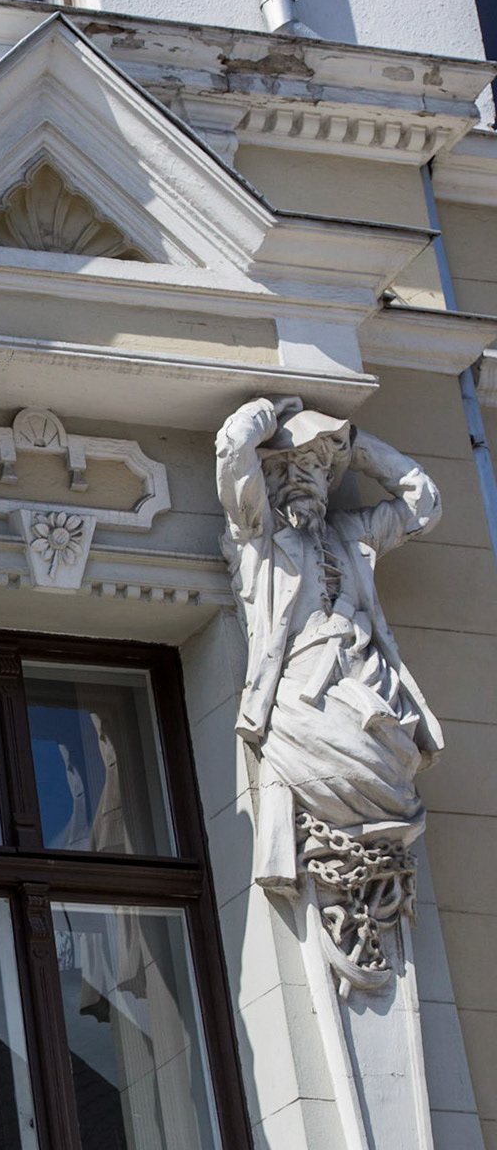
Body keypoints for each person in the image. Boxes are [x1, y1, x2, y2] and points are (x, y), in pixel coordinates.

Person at [216, 396, 442, 986]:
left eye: (313, 468)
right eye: (286, 467)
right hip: (302, 697)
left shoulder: (351, 533)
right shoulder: (259, 538)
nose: (300, 479)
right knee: (350, 769)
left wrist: (355, 446)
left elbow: (423, 501)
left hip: (366, 686)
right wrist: (264, 414)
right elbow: (233, 453)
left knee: (390, 767)